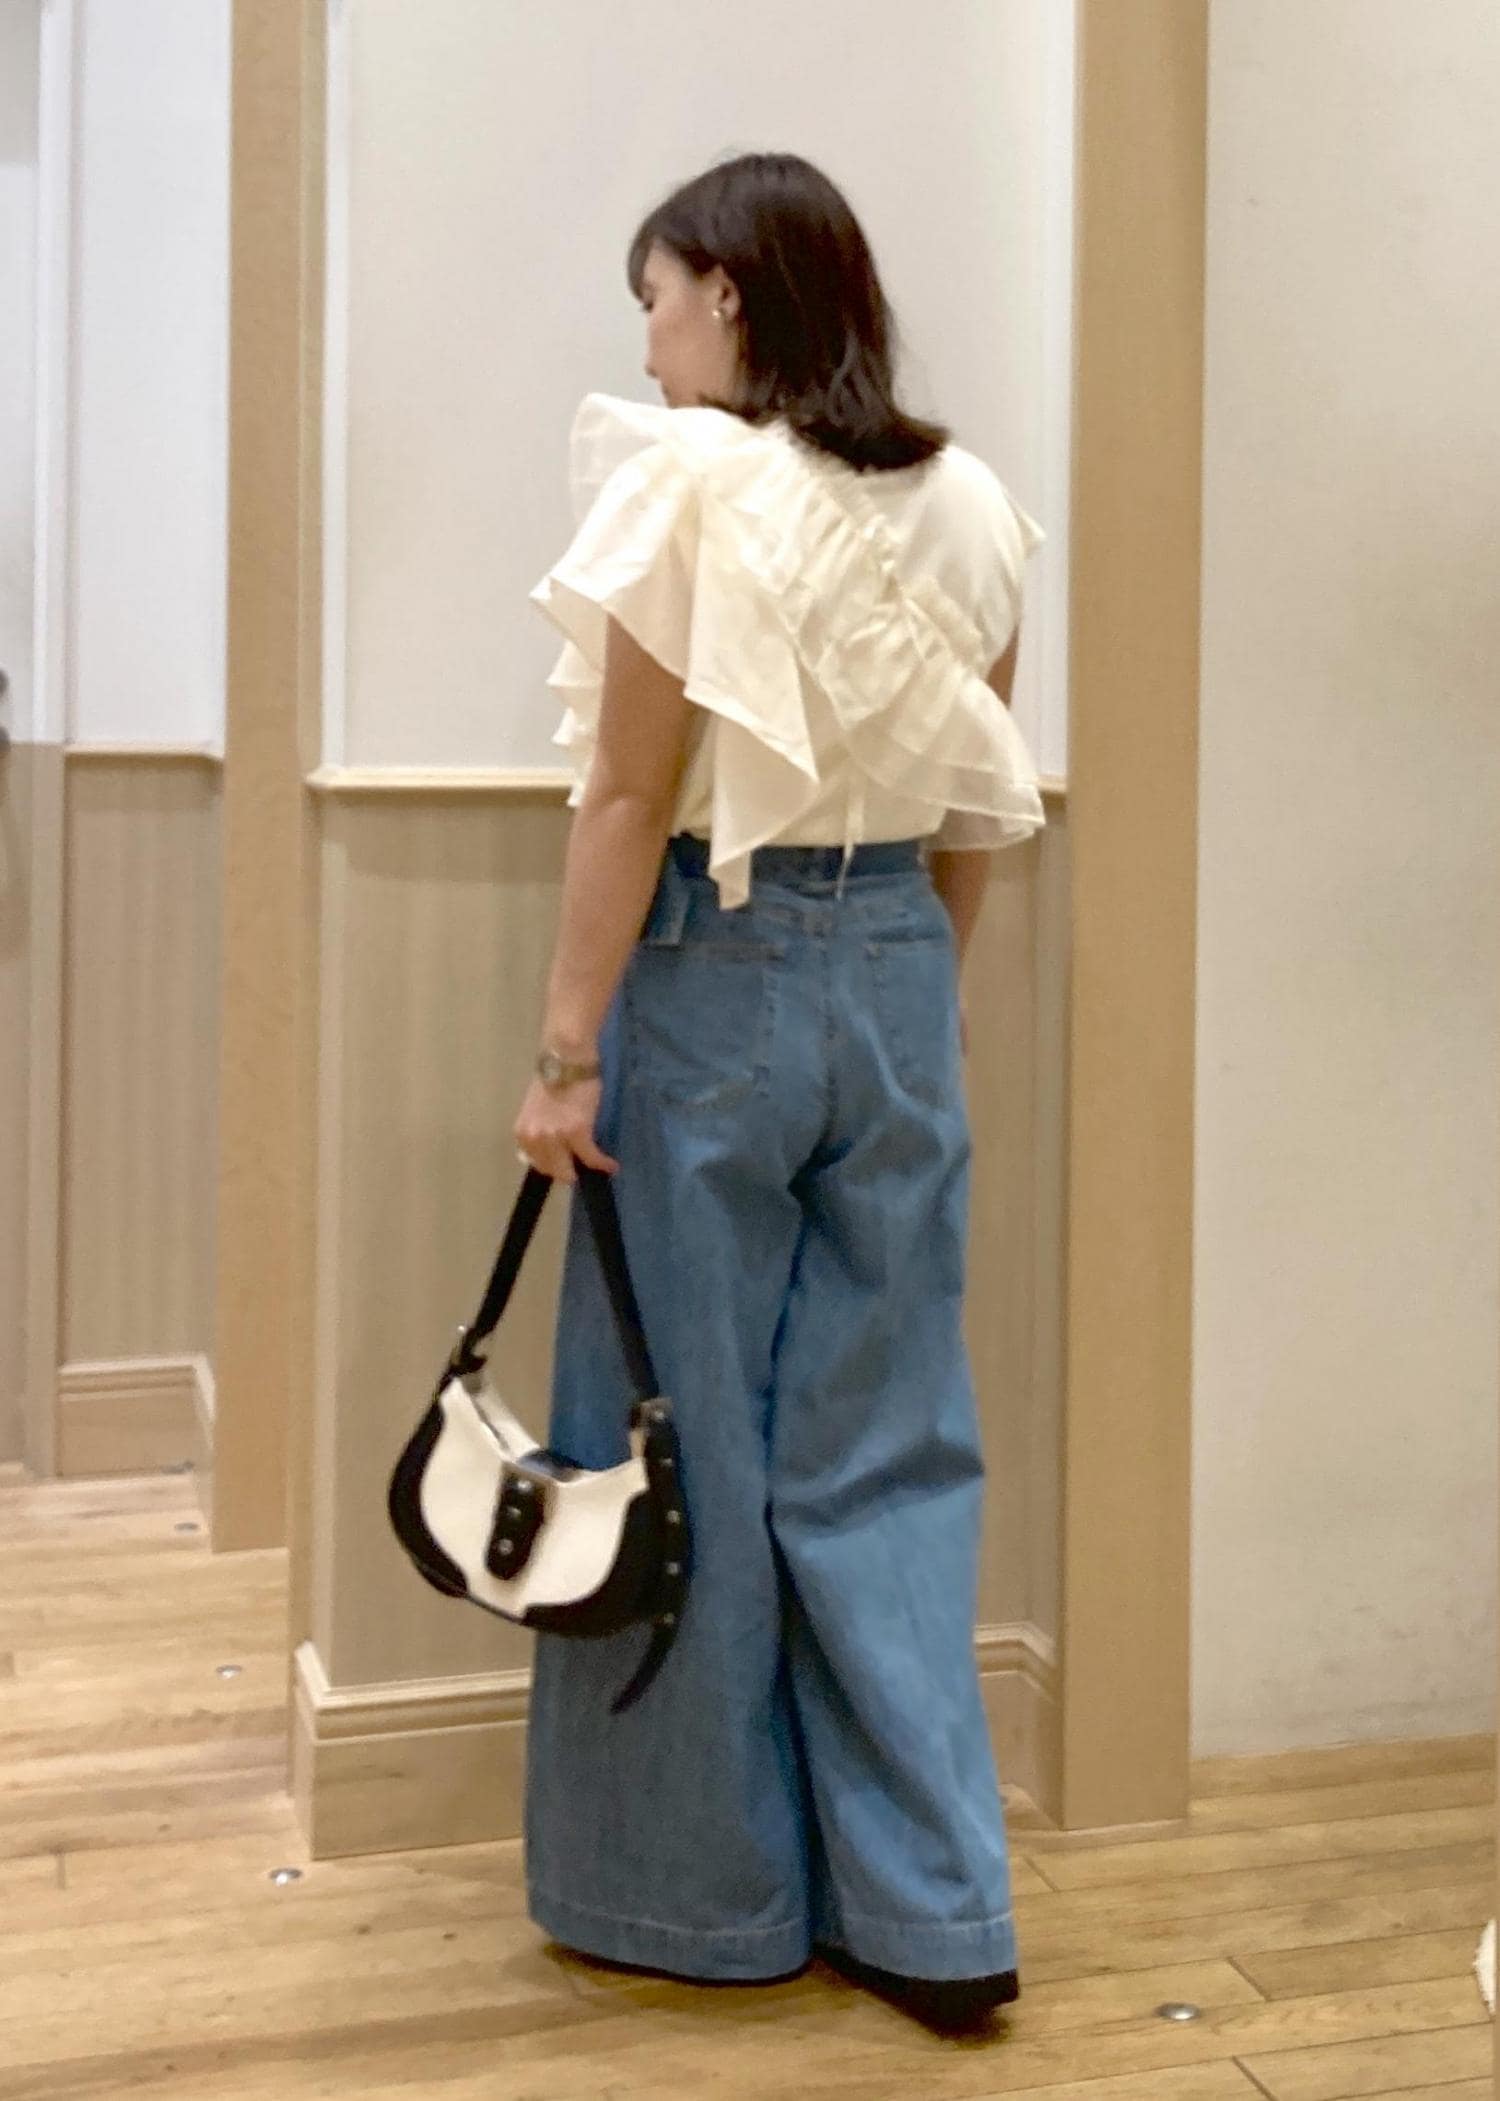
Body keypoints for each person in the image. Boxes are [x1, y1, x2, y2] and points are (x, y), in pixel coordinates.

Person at [512, 152, 1046, 2038]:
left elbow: (626, 793)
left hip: (714, 971)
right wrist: (914, 998)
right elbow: (979, 802)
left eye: (656, 299)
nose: (648, 343)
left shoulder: (690, 482)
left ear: (729, 293)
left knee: (682, 1435)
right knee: (890, 1443)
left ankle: (703, 1900)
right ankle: (936, 1912)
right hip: (897, 958)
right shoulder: (975, 503)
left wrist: (566, 1045)